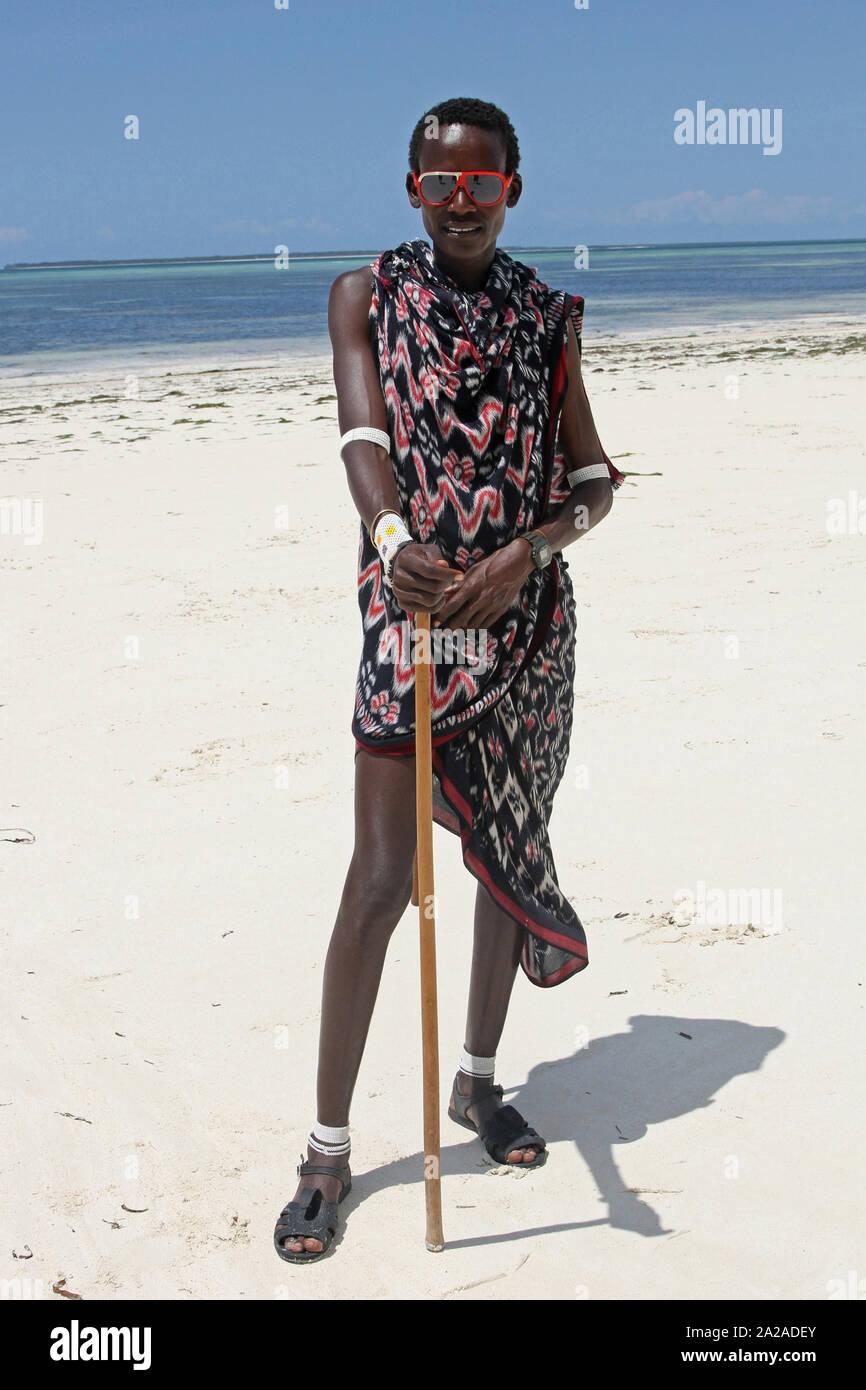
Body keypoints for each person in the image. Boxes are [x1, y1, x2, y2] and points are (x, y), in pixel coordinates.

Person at [274, 96, 622, 1262]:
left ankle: (476, 1082)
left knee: (499, 859)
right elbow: (361, 441)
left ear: (513, 189)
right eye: (439, 184)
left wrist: (530, 549)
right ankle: (326, 1150)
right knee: (380, 881)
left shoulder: (544, 315)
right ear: (411, 190)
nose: (460, 202)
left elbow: (592, 479)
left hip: (521, 633)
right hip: (412, 625)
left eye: (481, 184)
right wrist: (391, 544)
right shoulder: (362, 295)